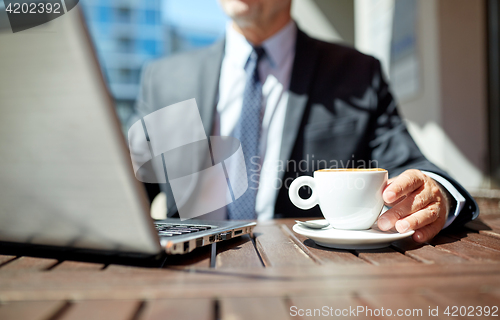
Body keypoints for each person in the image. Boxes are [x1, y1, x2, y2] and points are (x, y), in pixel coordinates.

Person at [130, 0, 478, 243]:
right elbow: (121, 182)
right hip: (182, 274)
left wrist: (436, 195)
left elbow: (410, 166)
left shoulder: (357, 75)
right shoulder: (164, 80)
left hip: (311, 270)